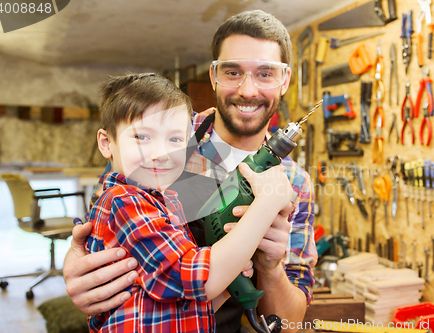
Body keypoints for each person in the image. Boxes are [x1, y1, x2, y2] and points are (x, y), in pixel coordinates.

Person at [64, 10, 317, 333]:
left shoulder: (293, 182)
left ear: (285, 81)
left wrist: (270, 268)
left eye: (265, 74)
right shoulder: (162, 135)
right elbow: (102, 224)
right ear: (213, 76)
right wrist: (74, 265)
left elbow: (291, 322)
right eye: (232, 71)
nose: (248, 90)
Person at [84, 72, 293, 332]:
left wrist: (229, 284)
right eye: (142, 137)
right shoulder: (125, 201)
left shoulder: (164, 201)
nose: (161, 154)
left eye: (174, 140)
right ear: (107, 143)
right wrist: (267, 203)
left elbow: (180, 302)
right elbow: (198, 279)